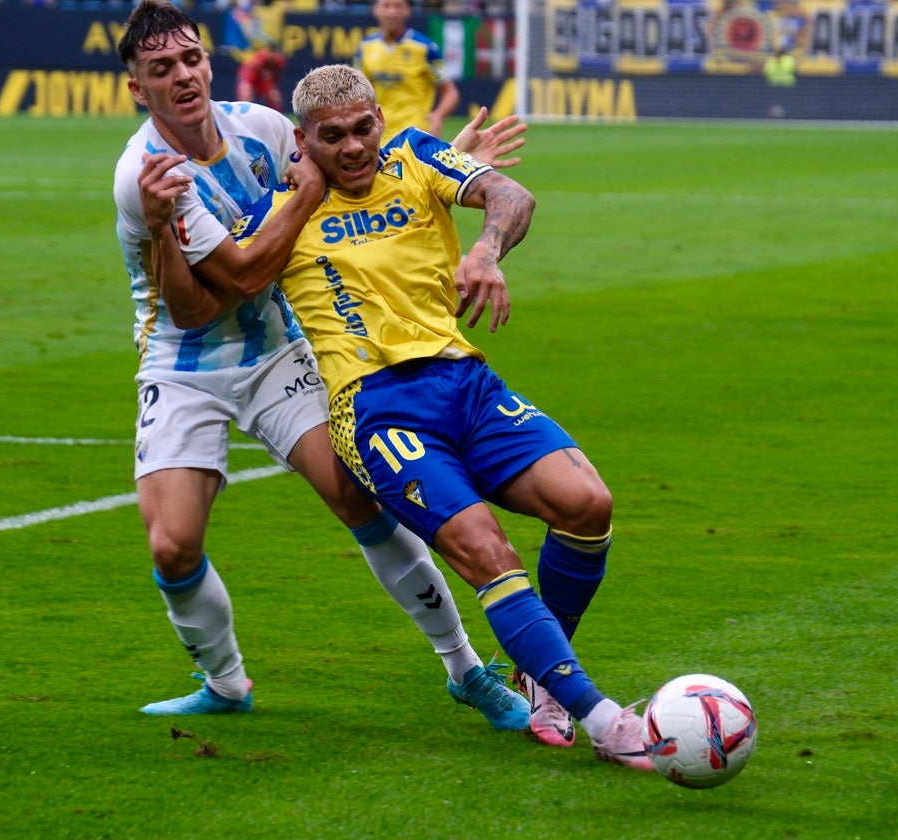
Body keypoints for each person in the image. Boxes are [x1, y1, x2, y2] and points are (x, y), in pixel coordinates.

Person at [138, 64, 655, 770]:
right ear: (303, 140)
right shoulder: (283, 214)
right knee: (487, 551)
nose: (353, 147)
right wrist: (161, 228)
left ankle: (540, 670)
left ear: (380, 118)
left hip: (465, 381)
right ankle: (600, 717)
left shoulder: (415, 153)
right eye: (332, 137)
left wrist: (485, 248)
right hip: (375, 409)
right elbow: (209, 297)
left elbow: (509, 193)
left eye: (362, 128)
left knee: (588, 505)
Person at [113, 0, 532, 729]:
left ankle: (465, 668)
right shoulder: (147, 175)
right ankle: (226, 682)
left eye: (190, 59)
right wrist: (303, 193)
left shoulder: (267, 130)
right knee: (173, 545)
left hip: (277, 347)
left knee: (360, 497)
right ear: (136, 87)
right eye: (161, 69)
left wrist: (437, 165)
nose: (182, 76)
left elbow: (353, 174)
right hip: (184, 362)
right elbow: (222, 291)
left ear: (208, 60)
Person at [355, 0, 459, 144]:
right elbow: (358, 93)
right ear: (375, 10)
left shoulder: (426, 48)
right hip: (379, 134)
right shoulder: (365, 48)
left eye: (398, 6)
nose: (392, 12)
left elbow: (450, 92)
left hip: (416, 136)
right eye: (386, 6)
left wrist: (438, 115)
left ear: (407, 10)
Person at [226, 0, 288, 112]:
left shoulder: (279, 60)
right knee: (245, 94)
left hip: (262, 76)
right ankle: (242, 118)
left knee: (274, 97)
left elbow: (274, 78)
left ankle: (279, 120)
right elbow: (247, 73)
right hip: (250, 69)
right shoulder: (257, 59)